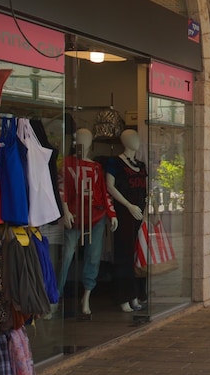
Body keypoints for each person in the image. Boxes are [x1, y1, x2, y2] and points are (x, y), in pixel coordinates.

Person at [57, 128, 118, 316]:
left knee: (93, 256)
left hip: (96, 217)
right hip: (74, 217)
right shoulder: (66, 164)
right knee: (66, 256)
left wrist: (112, 213)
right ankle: (55, 297)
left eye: (87, 138)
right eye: (80, 137)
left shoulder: (97, 167)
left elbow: (103, 192)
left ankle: (86, 297)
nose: (84, 141)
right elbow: (62, 188)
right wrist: (65, 211)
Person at [105, 129, 147, 313]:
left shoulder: (141, 165)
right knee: (124, 255)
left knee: (137, 255)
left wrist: (145, 212)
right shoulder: (114, 162)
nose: (136, 140)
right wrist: (128, 205)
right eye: (131, 137)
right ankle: (124, 296)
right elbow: (110, 187)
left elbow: (145, 191)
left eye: (136, 137)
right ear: (123, 141)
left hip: (139, 214)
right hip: (124, 213)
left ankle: (136, 295)